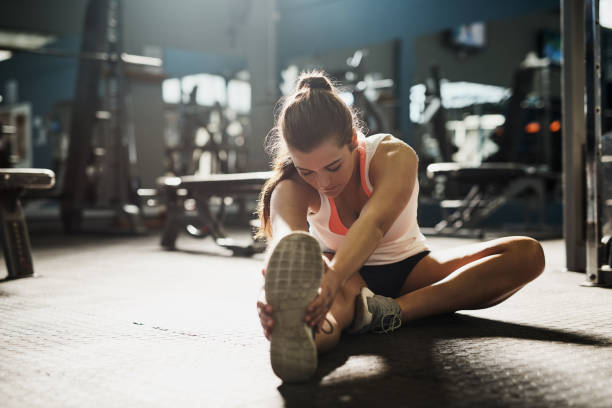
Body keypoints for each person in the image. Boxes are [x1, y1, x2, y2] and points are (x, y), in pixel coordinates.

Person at [255, 71, 545, 383]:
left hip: (412, 272)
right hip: (348, 284)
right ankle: (308, 335)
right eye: (307, 171)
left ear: (353, 140)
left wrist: (336, 277)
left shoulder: (393, 155)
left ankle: (388, 313)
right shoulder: (291, 186)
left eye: (333, 166)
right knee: (316, 313)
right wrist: (274, 298)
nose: (322, 182)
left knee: (527, 254)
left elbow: (374, 224)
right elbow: (286, 243)